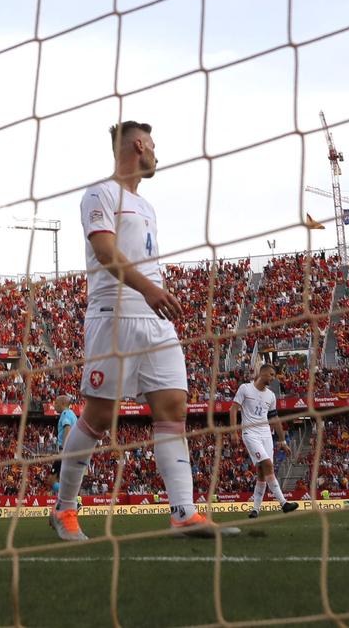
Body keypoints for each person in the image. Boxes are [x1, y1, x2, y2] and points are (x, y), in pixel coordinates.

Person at [51, 121, 234, 541]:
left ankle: (183, 512)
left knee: (173, 409)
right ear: (139, 145)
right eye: (153, 145)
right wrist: (150, 289)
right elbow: (104, 250)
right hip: (114, 314)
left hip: (155, 319)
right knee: (99, 416)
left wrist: (156, 294)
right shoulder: (99, 194)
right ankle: (64, 510)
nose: (156, 153)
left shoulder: (146, 205)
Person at [231, 365, 295, 517]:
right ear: (262, 373)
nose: (273, 378)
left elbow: (275, 418)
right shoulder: (245, 389)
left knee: (262, 472)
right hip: (250, 433)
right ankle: (283, 503)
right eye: (271, 374)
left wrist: (283, 441)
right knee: (267, 464)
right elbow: (233, 409)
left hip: (266, 434)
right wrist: (233, 432)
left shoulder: (271, 396)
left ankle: (255, 509)